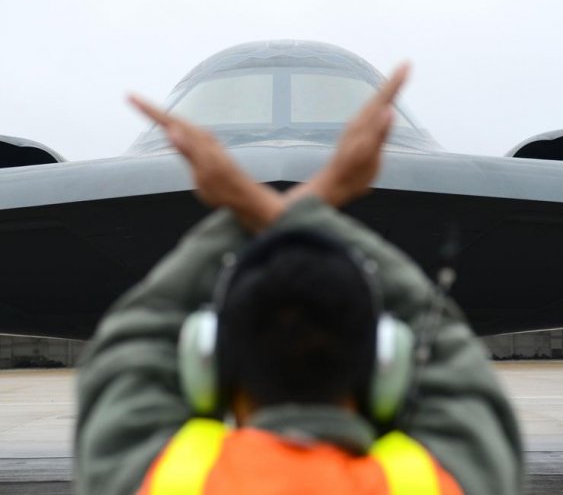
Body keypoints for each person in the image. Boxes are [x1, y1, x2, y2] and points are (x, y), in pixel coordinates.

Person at [75, 65, 523, 494]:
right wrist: (309, 200)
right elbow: (451, 355)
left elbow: (134, 336)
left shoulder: (161, 480)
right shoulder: (438, 483)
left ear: (207, 363)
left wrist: (248, 199)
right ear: (387, 362)